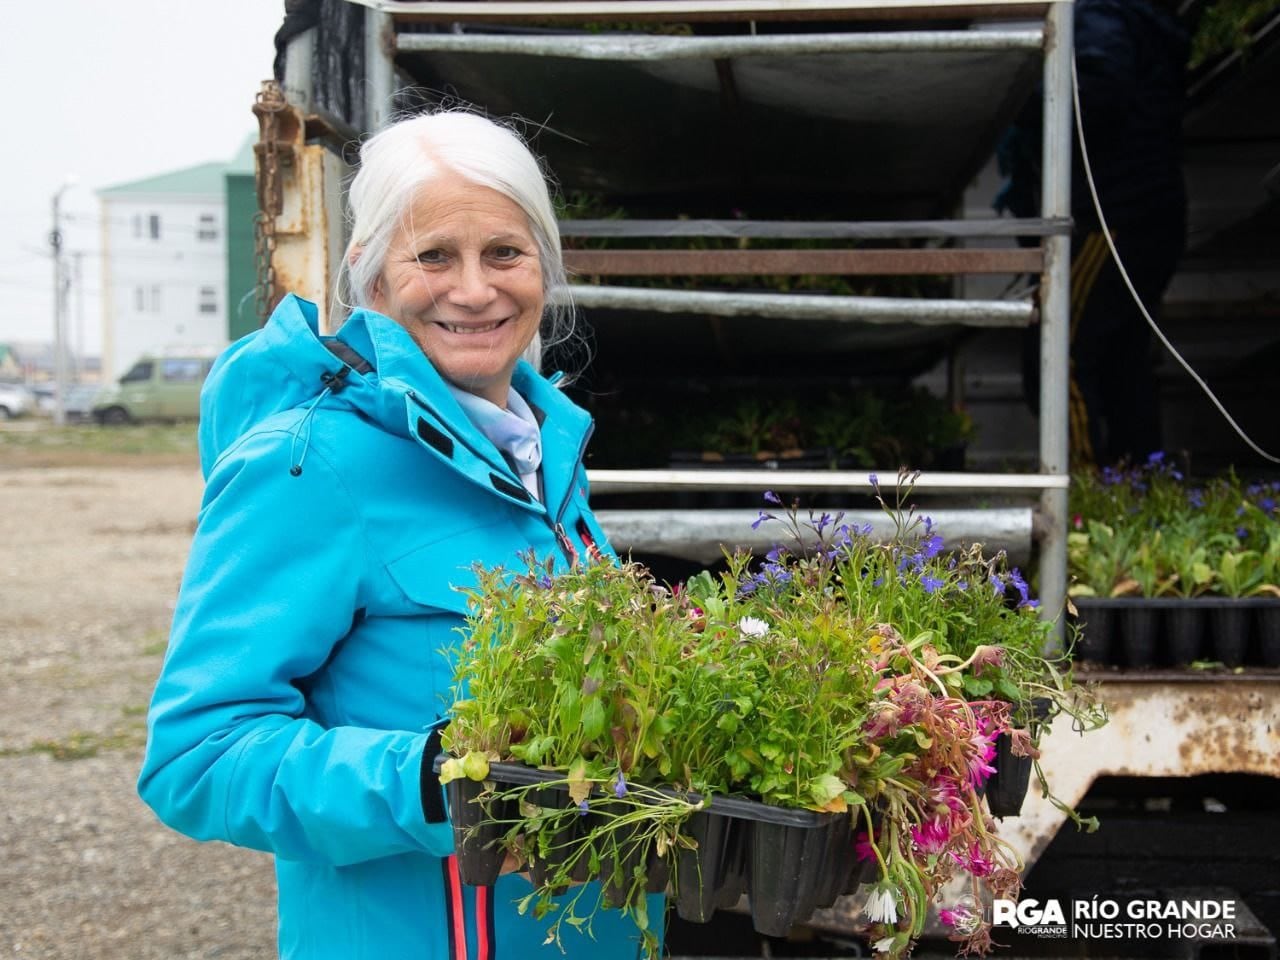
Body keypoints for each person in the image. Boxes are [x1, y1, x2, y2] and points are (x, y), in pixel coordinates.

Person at [138, 111, 659, 960]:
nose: (475, 289)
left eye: (503, 253)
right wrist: (431, 781)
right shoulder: (310, 466)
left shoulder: (543, 450)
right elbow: (197, 757)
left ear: (544, 269)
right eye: (433, 257)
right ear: (371, 276)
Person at [998, 0, 1189, 467]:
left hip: (1114, 216)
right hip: (1146, 211)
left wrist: (1022, 97)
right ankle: (1140, 492)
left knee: (1059, 353)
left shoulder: (1101, 12)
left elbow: (1100, 90)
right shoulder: (1134, 16)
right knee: (1122, 361)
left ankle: (1080, 497)